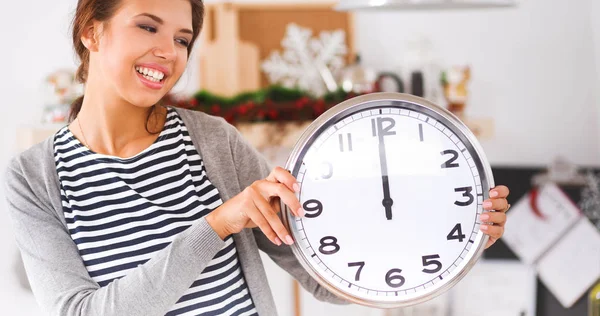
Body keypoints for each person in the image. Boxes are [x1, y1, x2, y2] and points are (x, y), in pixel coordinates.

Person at [3, 0, 511, 315]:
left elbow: (324, 277)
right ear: (92, 31)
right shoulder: (32, 178)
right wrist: (217, 224)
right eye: (148, 27)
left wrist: (459, 240)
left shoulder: (213, 141)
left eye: (182, 38)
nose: (169, 50)